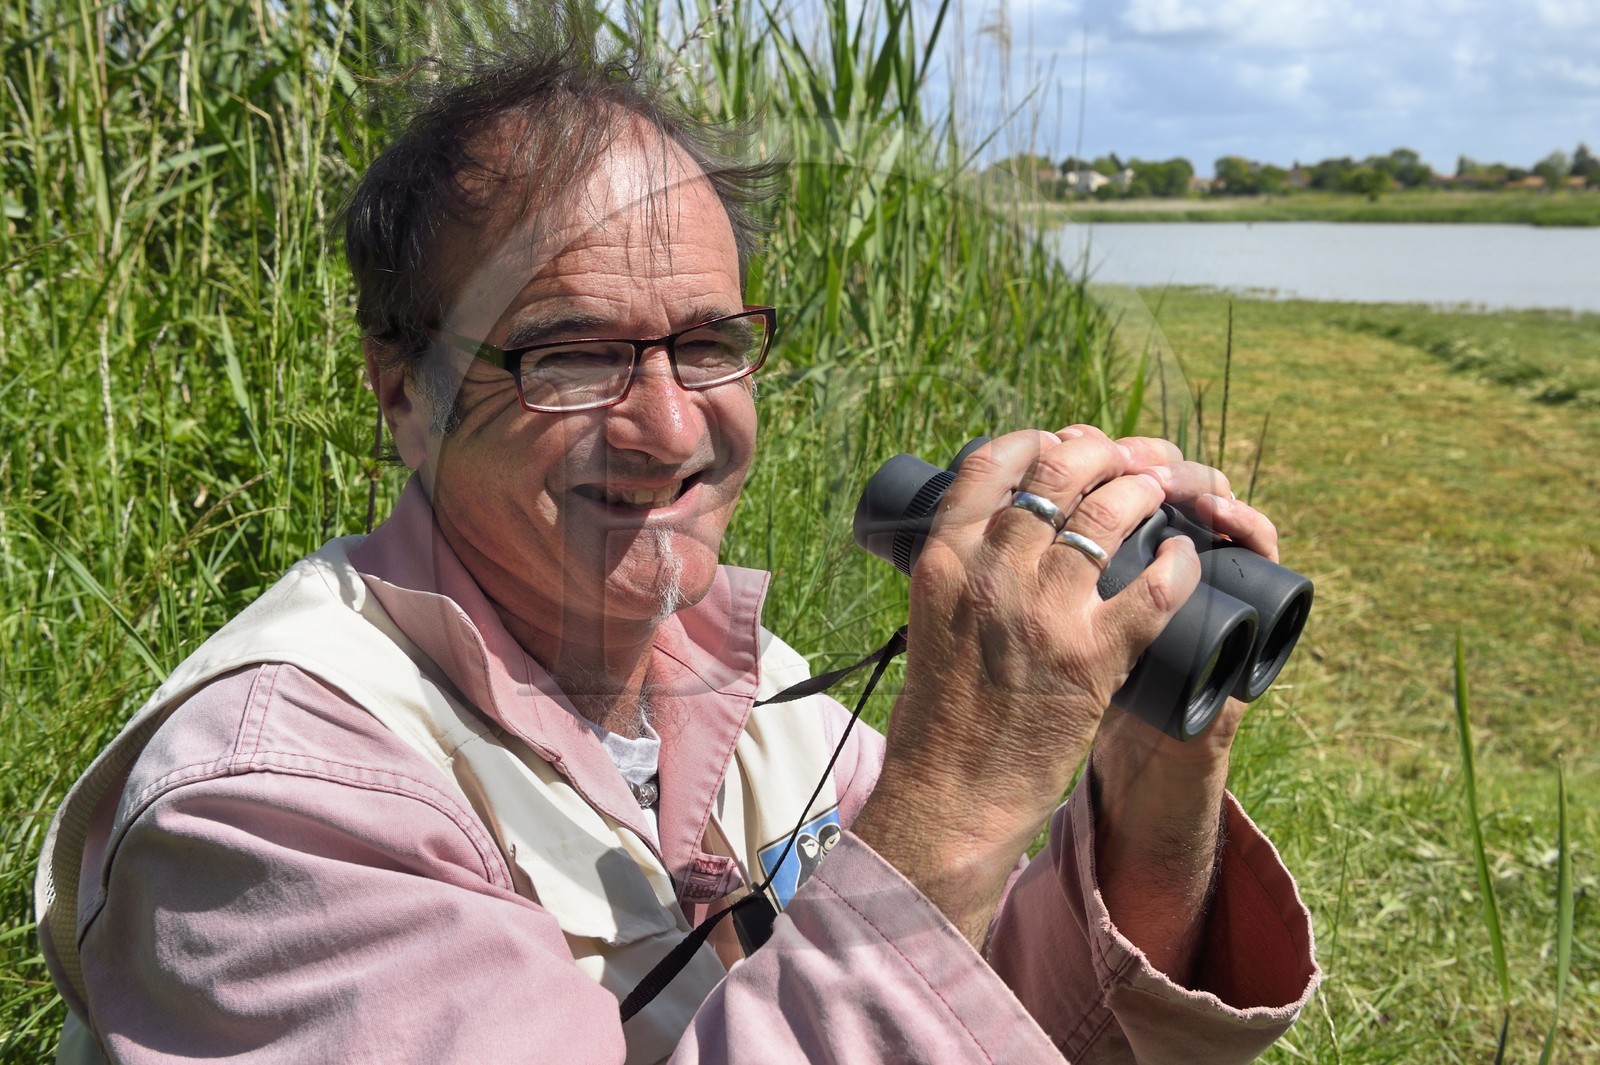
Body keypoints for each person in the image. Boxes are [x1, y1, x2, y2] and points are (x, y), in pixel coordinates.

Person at [37, 29, 1317, 1065]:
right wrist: (968, 781)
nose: (665, 428)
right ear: (403, 395)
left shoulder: (759, 703)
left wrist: (1155, 766)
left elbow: (1003, 1020)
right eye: (572, 354)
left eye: (707, 344)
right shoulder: (277, 804)